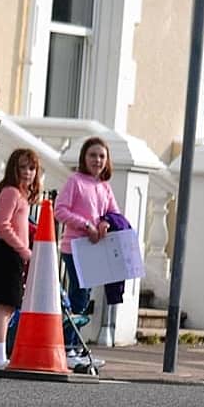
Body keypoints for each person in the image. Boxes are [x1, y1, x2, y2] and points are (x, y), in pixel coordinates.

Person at [55, 136, 117, 368]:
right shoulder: (75, 181)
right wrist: (86, 225)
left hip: (94, 249)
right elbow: (60, 210)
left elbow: (113, 213)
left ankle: (75, 346)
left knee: (84, 298)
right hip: (74, 247)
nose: (97, 160)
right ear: (84, 157)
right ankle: (68, 346)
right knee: (78, 295)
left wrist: (104, 223)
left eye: (101, 156)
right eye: (92, 155)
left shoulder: (104, 187)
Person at [0, 148, 42, 368]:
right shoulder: (11, 193)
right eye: (23, 167)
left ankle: (0, 354)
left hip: (14, 256)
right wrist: (23, 249)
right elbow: (3, 225)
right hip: (7, 254)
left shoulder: (22, 196)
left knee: (9, 307)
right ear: (13, 170)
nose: (27, 172)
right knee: (4, 306)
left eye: (32, 168)